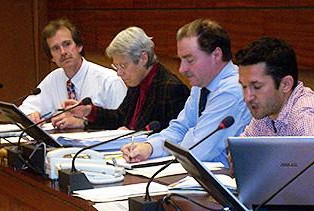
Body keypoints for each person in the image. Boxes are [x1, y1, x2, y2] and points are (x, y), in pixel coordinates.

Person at [235, 36, 314, 201]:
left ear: (286, 84)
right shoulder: (266, 110)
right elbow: (244, 156)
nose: (248, 97)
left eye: (256, 87)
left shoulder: (306, 117)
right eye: (244, 86)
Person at [121, 19, 252, 166]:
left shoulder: (233, 90)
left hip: (223, 182)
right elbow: (179, 128)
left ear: (216, 55)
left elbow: (198, 150)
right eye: (181, 60)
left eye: (189, 60)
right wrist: (149, 147)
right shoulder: (201, 85)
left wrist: (169, 144)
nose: (182, 69)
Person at [51, 26, 189, 130]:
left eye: (123, 65)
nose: (119, 73)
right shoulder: (137, 82)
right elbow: (120, 117)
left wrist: (133, 135)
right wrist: (89, 111)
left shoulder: (171, 89)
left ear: (143, 58)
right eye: (116, 66)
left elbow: (173, 136)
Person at [19, 18, 127, 123]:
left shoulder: (109, 81)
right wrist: (32, 115)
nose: (63, 52)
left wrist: (84, 123)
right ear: (51, 57)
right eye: (56, 48)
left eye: (67, 44)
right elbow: (24, 109)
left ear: (79, 46)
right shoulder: (53, 79)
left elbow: (123, 122)